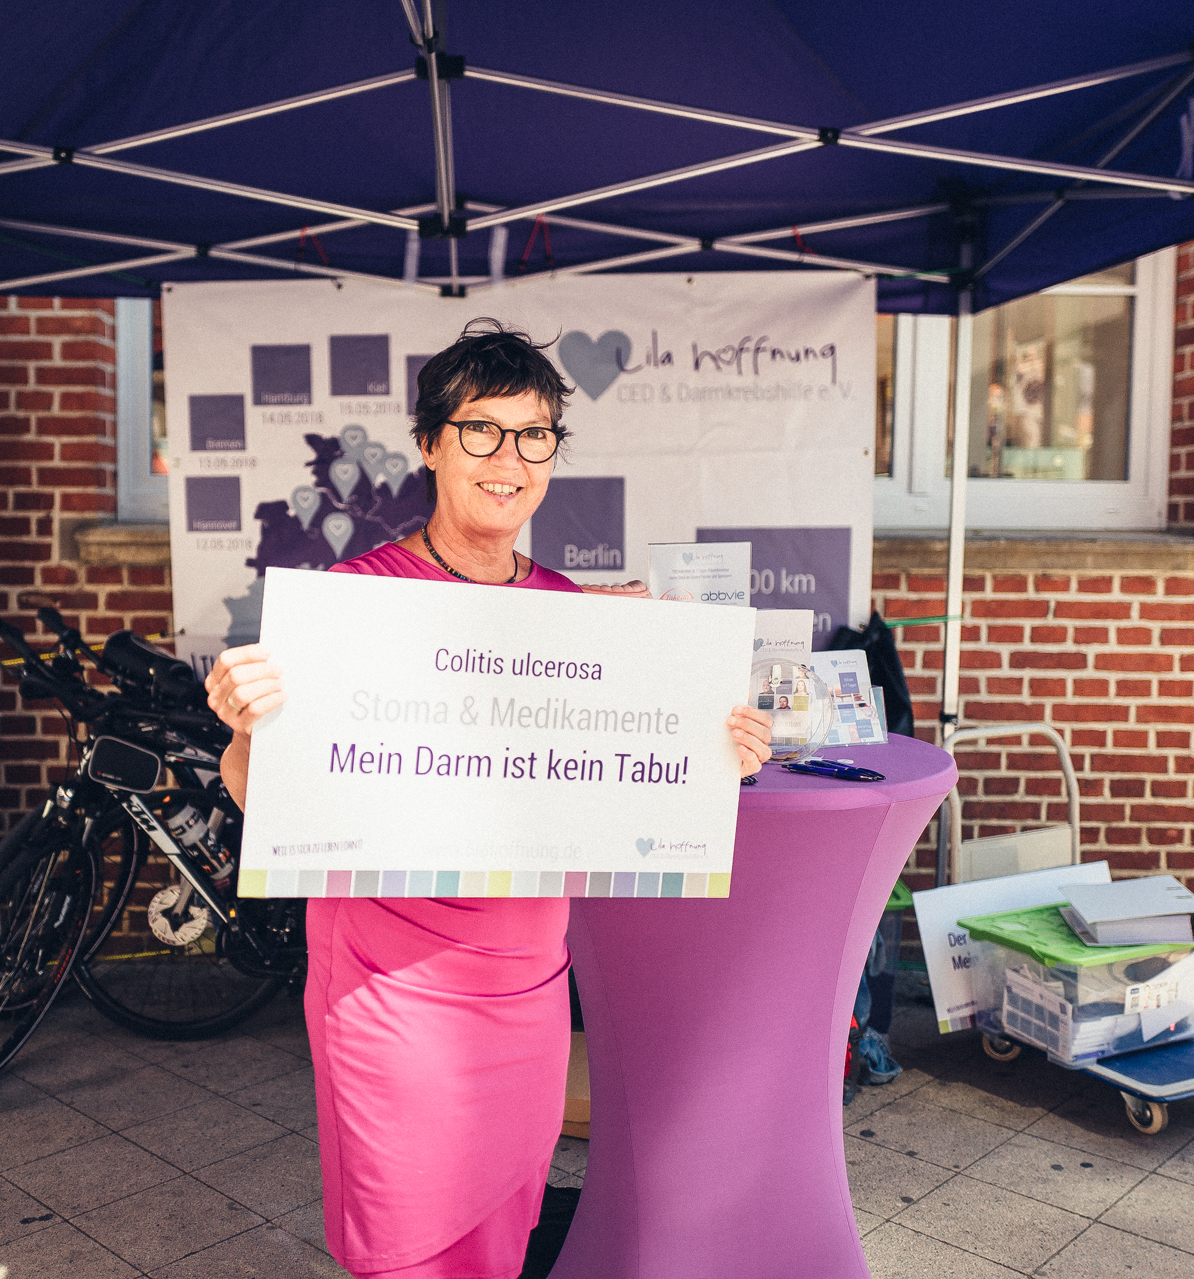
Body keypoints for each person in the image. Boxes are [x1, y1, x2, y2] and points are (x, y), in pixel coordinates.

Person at [205, 319, 772, 1279]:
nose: (510, 459)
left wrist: (718, 755)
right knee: (409, 1247)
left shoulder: (570, 610)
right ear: (430, 444)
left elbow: (616, 783)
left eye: (534, 434)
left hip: (528, 983)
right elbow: (262, 795)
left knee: (499, 1244)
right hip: (391, 985)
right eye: (481, 431)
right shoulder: (356, 599)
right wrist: (249, 729)